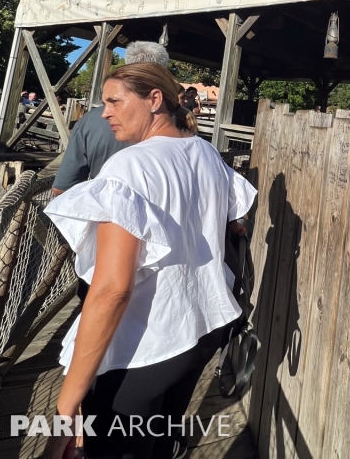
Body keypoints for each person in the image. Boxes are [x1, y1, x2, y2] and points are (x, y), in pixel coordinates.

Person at [43, 63, 256, 459]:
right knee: (162, 440)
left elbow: (111, 291)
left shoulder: (129, 167)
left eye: (114, 101)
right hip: (202, 327)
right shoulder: (204, 150)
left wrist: (66, 409)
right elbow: (234, 218)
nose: (104, 112)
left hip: (145, 345)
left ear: (154, 99)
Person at [52, 41, 170, 196]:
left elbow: (62, 188)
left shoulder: (91, 121)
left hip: (104, 210)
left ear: (127, 65)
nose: (106, 114)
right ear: (164, 71)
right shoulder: (181, 123)